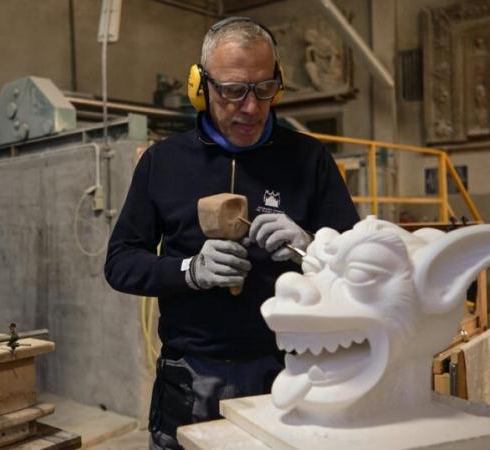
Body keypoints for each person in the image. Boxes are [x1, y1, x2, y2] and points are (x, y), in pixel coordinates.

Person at [104, 17, 359, 449]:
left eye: (264, 89)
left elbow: (359, 264)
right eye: (233, 91)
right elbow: (120, 263)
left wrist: (311, 247)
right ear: (200, 87)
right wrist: (189, 271)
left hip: (289, 372)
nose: (251, 108)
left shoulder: (309, 159)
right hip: (191, 377)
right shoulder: (163, 163)